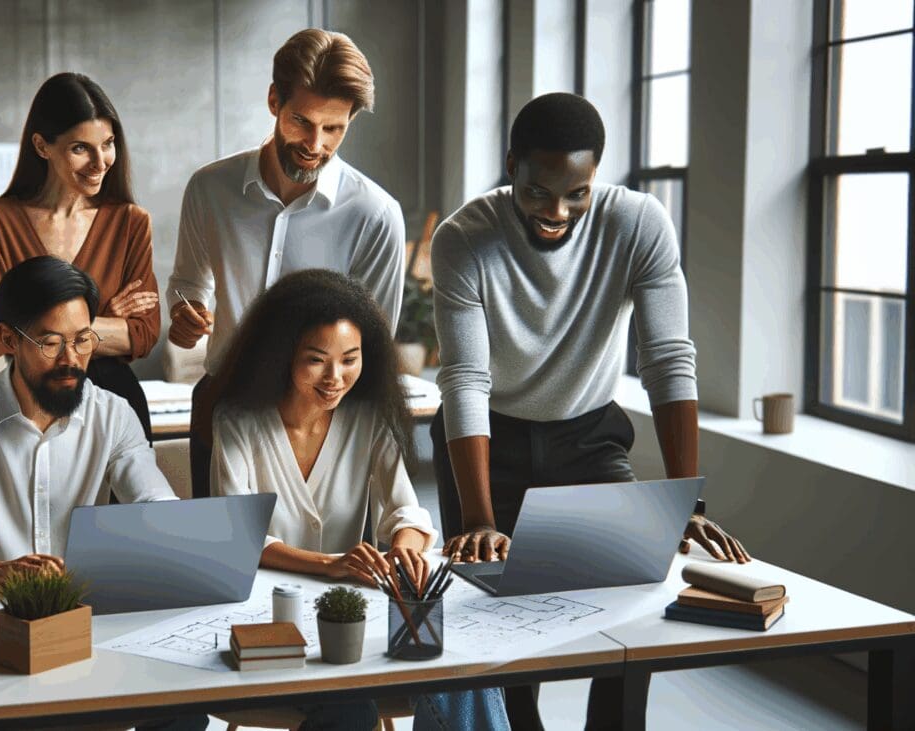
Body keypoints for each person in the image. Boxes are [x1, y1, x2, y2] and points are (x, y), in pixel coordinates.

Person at [429, 92, 750, 729]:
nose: (557, 211)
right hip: (490, 440)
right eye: (540, 191)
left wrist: (687, 499)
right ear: (512, 164)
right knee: (496, 623)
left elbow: (667, 359)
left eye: (576, 192)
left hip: (589, 435)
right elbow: (464, 380)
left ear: (595, 175)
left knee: (632, 594)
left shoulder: (639, 224)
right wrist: (481, 516)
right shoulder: (463, 238)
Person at [0, 258, 204, 731]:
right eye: (50, 343)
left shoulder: (113, 416)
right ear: (9, 339)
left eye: (83, 339)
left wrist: (176, 534)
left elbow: (155, 507)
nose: (72, 359)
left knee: (184, 710)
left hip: (89, 632)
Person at [212, 269, 509, 731]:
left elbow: (404, 510)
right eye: (316, 360)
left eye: (350, 359)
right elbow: (240, 537)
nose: (336, 377)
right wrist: (328, 565)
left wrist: (406, 549)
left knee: (470, 670)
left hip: (356, 613)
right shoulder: (238, 421)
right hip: (272, 620)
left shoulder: (367, 418)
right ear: (281, 354)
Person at [167, 28, 406, 499]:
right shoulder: (209, 189)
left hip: (321, 418)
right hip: (222, 399)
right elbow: (188, 283)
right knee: (222, 561)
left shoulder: (376, 215)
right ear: (274, 100)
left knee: (325, 565)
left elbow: (374, 343)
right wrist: (184, 314)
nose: (315, 143)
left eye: (334, 128)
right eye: (302, 120)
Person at [0, 72, 160, 441]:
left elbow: (144, 333)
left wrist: (43, 332)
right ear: (42, 146)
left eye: (107, 143)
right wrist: (102, 321)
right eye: (80, 148)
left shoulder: (130, 223)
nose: (100, 161)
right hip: (31, 409)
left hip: (118, 404)